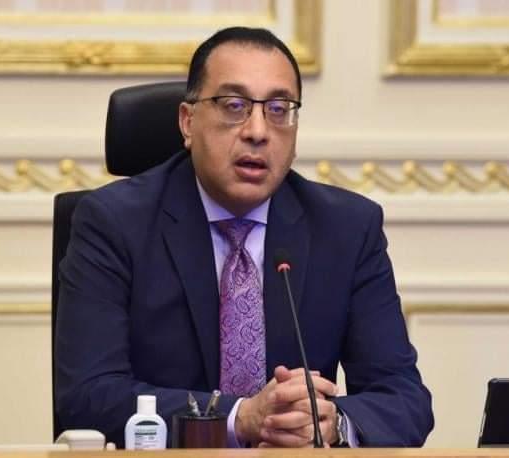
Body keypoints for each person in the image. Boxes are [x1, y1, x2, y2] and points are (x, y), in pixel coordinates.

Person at [55, 26, 433, 449]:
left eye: (279, 109)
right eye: (234, 106)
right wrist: (240, 417)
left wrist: (334, 424)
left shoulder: (346, 228)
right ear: (187, 122)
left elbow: (405, 401)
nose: (258, 130)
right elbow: (87, 396)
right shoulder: (113, 223)